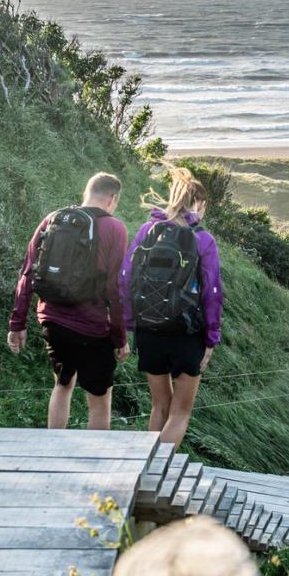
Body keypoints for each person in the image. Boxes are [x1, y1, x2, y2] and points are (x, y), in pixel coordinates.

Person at [7, 173, 130, 430]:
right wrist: (120, 337)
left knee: (62, 385)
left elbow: (28, 272)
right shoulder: (115, 228)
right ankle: (96, 466)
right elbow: (115, 287)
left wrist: (18, 322)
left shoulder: (53, 219)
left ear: (87, 192)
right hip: (93, 328)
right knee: (99, 399)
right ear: (112, 199)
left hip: (53, 321)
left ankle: (55, 455)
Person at [120, 167, 223, 449]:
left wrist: (130, 323)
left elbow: (126, 277)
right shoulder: (203, 239)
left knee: (159, 407)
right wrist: (212, 338)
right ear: (199, 204)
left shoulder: (147, 230)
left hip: (149, 330)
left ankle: (144, 471)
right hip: (186, 333)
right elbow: (212, 293)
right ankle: (155, 476)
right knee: (180, 413)